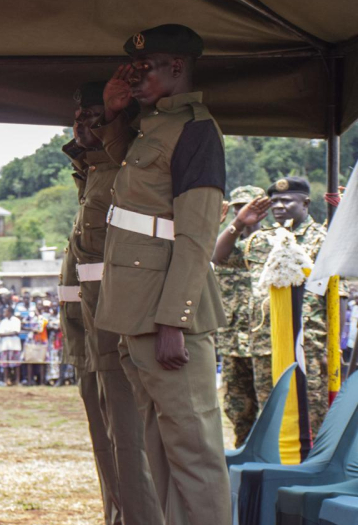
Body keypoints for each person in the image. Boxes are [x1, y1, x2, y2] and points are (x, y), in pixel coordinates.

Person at [93, 24, 230, 524]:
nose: (135, 76)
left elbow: (195, 236)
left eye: (145, 67)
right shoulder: (152, 127)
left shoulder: (196, 129)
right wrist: (112, 114)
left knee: (195, 456)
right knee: (161, 452)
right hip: (138, 312)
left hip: (169, 317)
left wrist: (174, 319)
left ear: (177, 67)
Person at [63, 79, 162, 524]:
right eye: (79, 117)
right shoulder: (89, 175)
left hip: (117, 332)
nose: (84, 125)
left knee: (129, 442)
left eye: (95, 117)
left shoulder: (123, 172)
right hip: (88, 336)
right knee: (107, 444)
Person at [214, 176, 331, 434]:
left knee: (309, 414)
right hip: (266, 345)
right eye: (275, 201)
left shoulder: (321, 240)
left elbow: (337, 295)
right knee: (271, 416)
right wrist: (238, 222)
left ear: (306, 203)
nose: (279, 206)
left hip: (306, 342)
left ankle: (304, 472)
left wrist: (331, 347)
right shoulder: (263, 239)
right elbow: (219, 257)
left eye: (287, 200)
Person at [210, 185, 267, 445]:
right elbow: (212, 256)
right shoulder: (227, 245)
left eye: (249, 207)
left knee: (269, 404)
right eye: (238, 209)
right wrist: (232, 225)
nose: (244, 214)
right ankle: (243, 452)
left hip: (265, 343)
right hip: (233, 342)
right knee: (237, 406)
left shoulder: (272, 242)